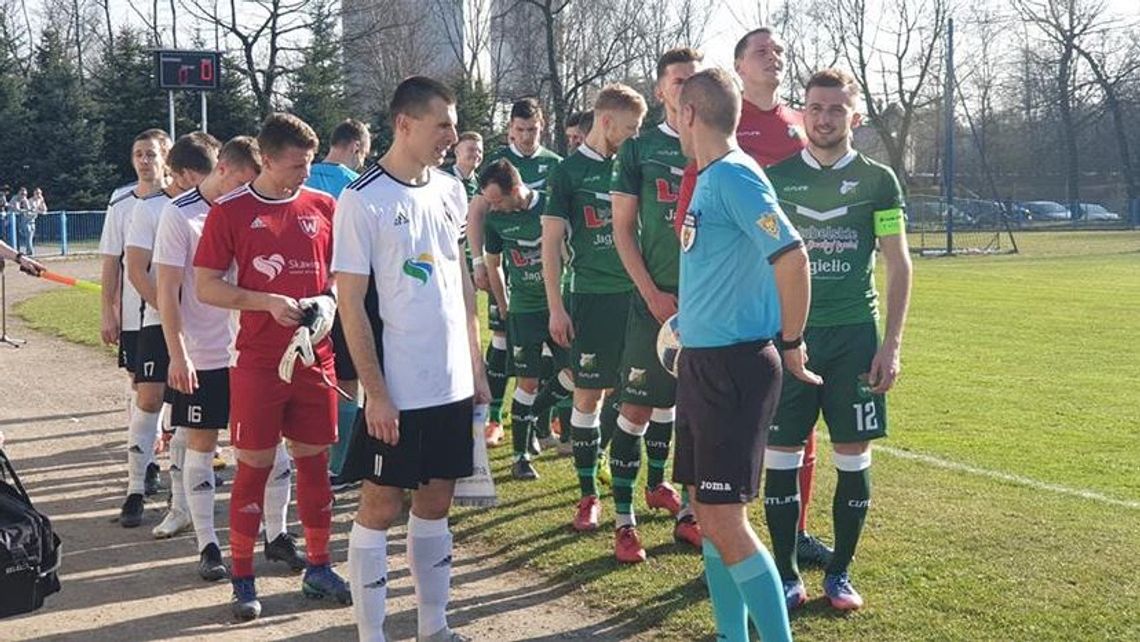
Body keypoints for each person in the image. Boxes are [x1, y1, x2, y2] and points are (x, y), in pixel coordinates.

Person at [335, 75, 490, 642]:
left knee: (436, 502)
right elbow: (349, 302)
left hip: (448, 383)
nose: (452, 134)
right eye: (442, 123)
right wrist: (375, 391)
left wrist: (474, 368)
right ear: (405, 124)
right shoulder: (362, 197)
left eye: (452, 123)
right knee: (380, 506)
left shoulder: (451, 189)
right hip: (396, 389)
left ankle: (434, 627)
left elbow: (460, 285)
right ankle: (371, 634)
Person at [676, 26, 833, 569]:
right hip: (701, 361)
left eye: (677, 111)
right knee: (707, 511)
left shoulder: (739, 177)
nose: (673, 123)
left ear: (691, 114)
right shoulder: (709, 176)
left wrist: (791, 341)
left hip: (734, 364)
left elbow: (792, 256)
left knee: (725, 518)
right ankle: (731, 630)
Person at [763, 68, 912, 611]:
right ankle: (785, 573)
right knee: (780, 453)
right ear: (801, 112)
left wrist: (890, 343)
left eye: (835, 109)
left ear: (856, 116)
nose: (823, 119)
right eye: (814, 108)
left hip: (854, 336)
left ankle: (840, 573)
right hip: (789, 335)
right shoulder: (775, 180)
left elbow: (897, 263)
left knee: (853, 454)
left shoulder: (878, 181)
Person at [195, 113, 352, 620]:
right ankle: (242, 576)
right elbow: (206, 286)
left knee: (314, 464)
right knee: (255, 467)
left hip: (314, 358)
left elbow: (337, 279)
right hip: (260, 363)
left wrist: (327, 305)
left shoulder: (323, 206)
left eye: (308, 164)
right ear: (265, 159)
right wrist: (264, 302)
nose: (304, 174)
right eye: (294, 166)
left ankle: (319, 567)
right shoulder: (231, 211)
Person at [152, 136, 264, 580]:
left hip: (250, 351)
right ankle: (207, 545)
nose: (247, 190)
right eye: (242, 181)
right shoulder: (180, 215)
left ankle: (272, 535)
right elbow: (167, 291)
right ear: (223, 169)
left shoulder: (250, 210)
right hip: (203, 353)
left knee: (262, 447)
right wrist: (177, 354)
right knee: (202, 444)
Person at [608, 48, 703, 563]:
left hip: (707, 303)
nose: (686, 89)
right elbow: (623, 231)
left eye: (695, 80)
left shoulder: (717, 148)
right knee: (636, 409)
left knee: (696, 414)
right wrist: (651, 294)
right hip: (655, 300)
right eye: (678, 81)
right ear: (661, 89)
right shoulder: (639, 150)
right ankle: (624, 523)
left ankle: (690, 514)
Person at [541, 84, 647, 533]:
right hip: (590, 297)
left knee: (641, 396)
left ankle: (644, 486)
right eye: (629, 128)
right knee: (588, 396)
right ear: (606, 123)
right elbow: (549, 245)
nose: (635, 136)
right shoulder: (567, 174)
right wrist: (555, 308)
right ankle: (588, 496)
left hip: (638, 297)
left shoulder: (637, 165)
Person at [123, 132, 220, 529]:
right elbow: (135, 269)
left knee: (188, 412)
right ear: (181, 172)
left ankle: (180, 504)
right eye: (204, 172)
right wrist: (171, 309)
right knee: (149, 398)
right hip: (158, 320)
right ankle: (134, 487)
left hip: (205, 330)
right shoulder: (151, 209)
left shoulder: (215, 206)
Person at [468, 98, 562, 447]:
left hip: (548, 275)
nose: (525, 137)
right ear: (509, 129)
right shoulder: (496, 166)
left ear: (543, 126)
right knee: (503, 339)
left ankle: (544, 418)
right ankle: (495, 418)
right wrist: (478, 260)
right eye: (519, 130)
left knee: (553, 347)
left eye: (532, 130)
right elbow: (477, 213)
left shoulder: (554, 164)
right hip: (507, 272)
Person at [479, 159, 572, 480]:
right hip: (523, 312)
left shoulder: (549, 205)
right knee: (527, 382)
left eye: (497, 200)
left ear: (516, 189)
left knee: (573, 372)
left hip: (558, 306)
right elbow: (494, 264)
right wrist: (504, 305)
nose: (493, 208)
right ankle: (520, 457)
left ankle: (530, 416)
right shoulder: (495, 221)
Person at [98, 129, 171, 498]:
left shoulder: (180, 200)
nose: (145, 161)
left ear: (165, 158)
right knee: (142, 387)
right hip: (133, 314)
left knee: (173, 389)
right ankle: (147, 466)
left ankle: (180, 459)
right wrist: (107, 312)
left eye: (151, 155)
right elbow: (112, 261)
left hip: (174, 314)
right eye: (138, 154)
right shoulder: (121, 201)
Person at [306, 117, 373, 491]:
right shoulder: (357, 184)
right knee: (348, 378)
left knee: (306, 377)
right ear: (356, 148)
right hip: (342, 293)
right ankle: (341, 463)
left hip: (299, 294)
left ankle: (308, 462)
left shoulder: (301, 175)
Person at [11, 187, 32, 256]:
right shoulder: (15, 198)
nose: (24, 195)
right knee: (12, 235)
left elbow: (28, 208)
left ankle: (22, 251)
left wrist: (26, 209)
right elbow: (17, 209)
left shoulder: (24, 199)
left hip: (19, 219)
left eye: (25, 194)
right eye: (22, 194)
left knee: (23, 233)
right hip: (11, 219)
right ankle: (14, 251)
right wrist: (26, 210)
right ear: (19, 193)